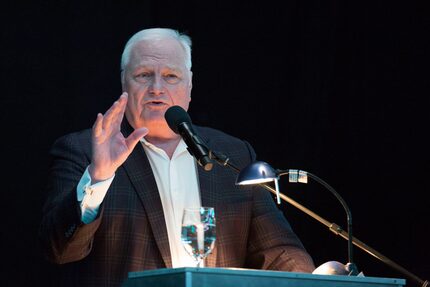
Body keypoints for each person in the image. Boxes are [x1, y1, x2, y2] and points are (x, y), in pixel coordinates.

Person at [39, 27, 315, 286]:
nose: (157, 88)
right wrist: (99, 177)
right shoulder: (83, 150)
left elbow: (279, 252)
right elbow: (60, 251)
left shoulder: (233, 154)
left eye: (171, 76)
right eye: (144, 75)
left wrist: (317, 278)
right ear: (124, 83)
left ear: (190, 86)